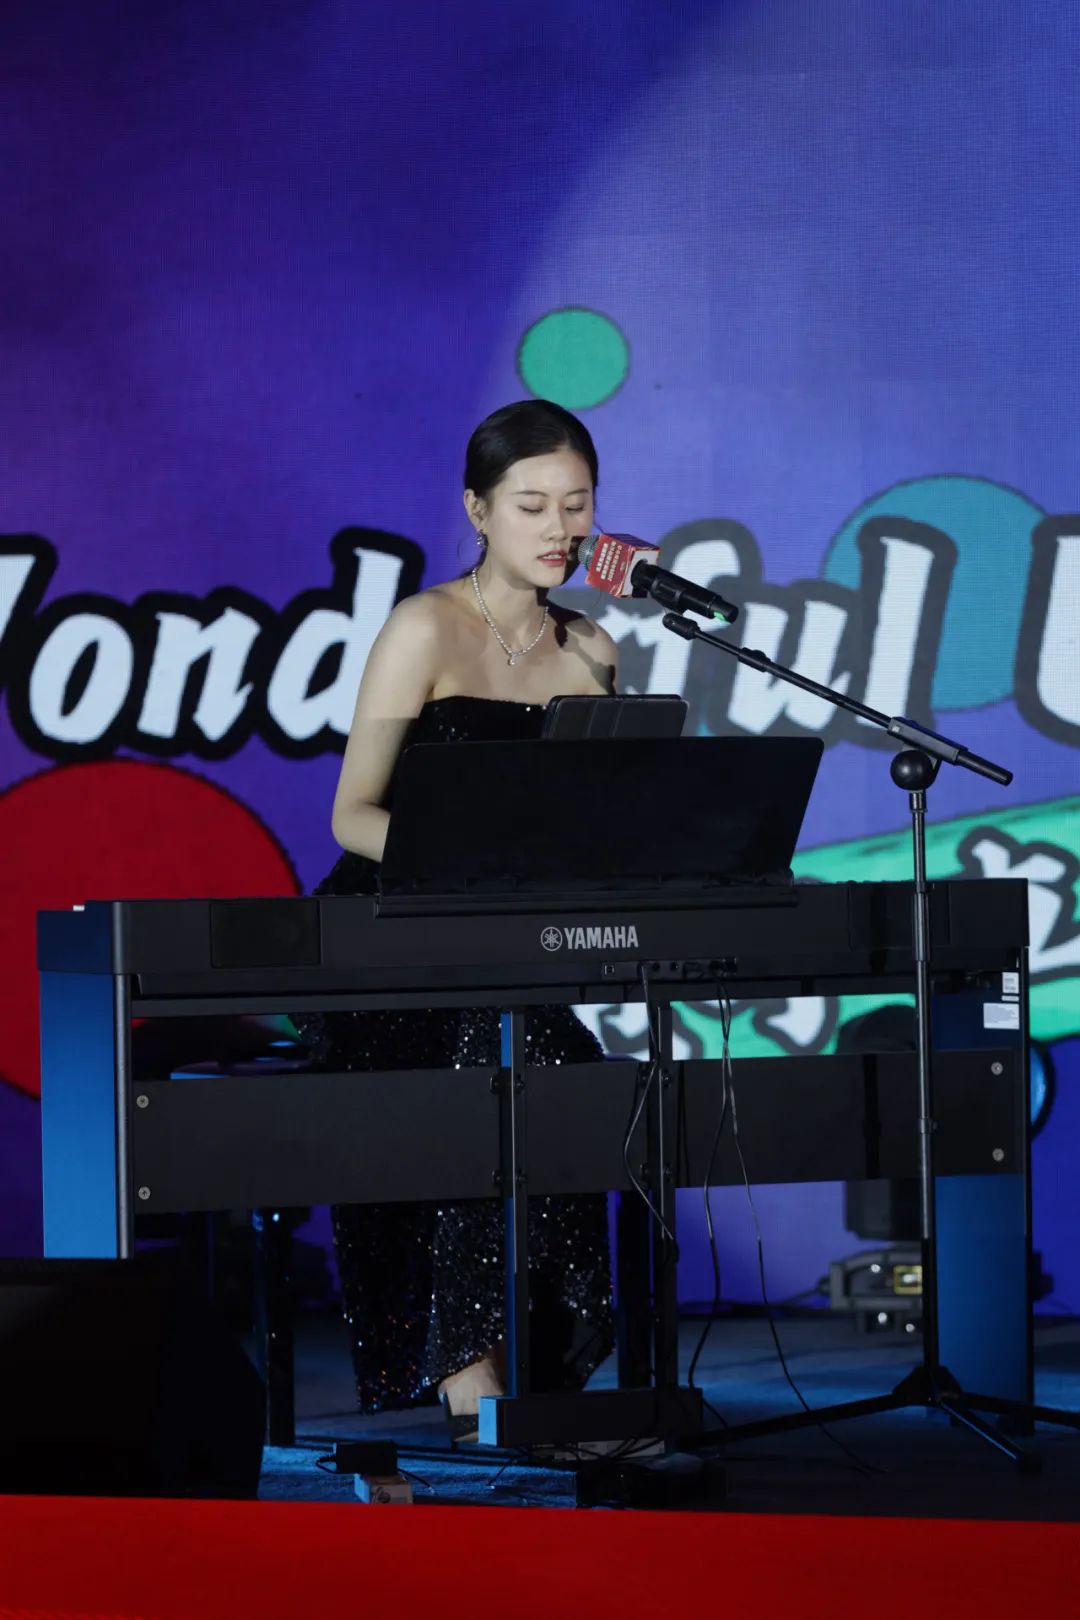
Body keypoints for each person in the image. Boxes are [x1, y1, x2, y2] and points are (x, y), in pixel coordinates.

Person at [294, 399, 619, 1430]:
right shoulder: (424, 626)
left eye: (577, 504)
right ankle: (465, 1371)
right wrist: (467, 870)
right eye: (533, 504)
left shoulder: (593, 648)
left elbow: (585, 829)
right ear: (478, 510)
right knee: (488, 1053)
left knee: (565, 1065)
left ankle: (547, 1369)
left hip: (508, 947)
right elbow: (353, 815)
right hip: (384, 942)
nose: (559, 527)